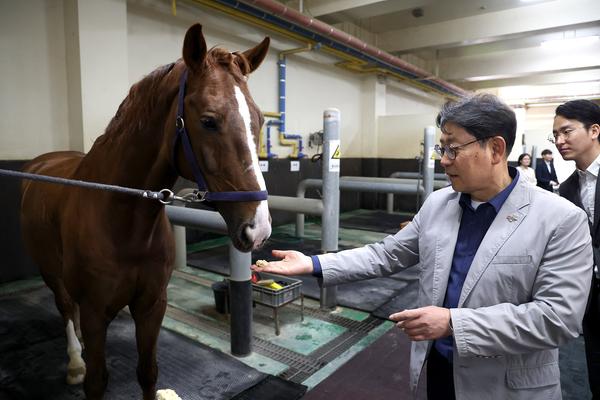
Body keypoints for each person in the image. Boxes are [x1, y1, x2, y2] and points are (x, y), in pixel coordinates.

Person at [252, 93, 593, 400]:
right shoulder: (438, 204)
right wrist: (313, 264)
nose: (443, 160)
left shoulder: (560, 219)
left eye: (452, 148)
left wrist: (453, 324)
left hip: (505, 386)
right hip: (438, 371)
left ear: (496, 149)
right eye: (440, 148)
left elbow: (557, 318)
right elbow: (385, 255)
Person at [553, 99, 600, 400]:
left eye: (567, 132)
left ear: (594, 130)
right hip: (592, 301)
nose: (559, 141)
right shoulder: (567, 189)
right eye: (555, 135)